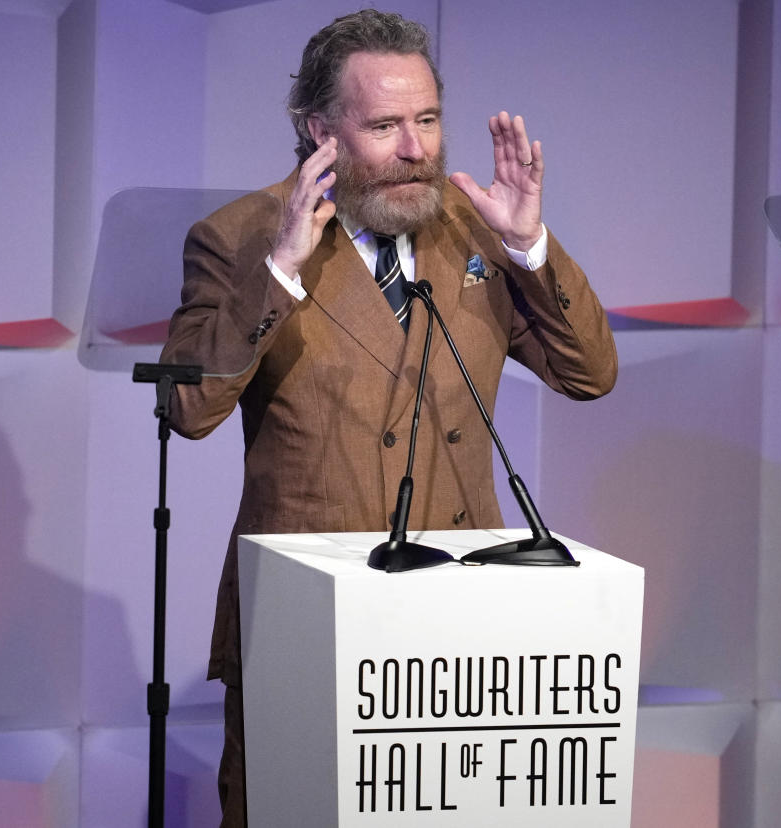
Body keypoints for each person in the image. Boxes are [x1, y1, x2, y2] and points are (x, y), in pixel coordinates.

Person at [159, 9, 617, 825]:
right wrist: (279, 274)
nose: (416, 149)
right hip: (310, 624)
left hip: (460, 628)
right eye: (384, 125)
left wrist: (532, 249)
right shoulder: (240, 237)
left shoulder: (475, 228)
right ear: (320, 130)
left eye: (428, 119)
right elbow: (189, 408)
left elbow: (589, 375)